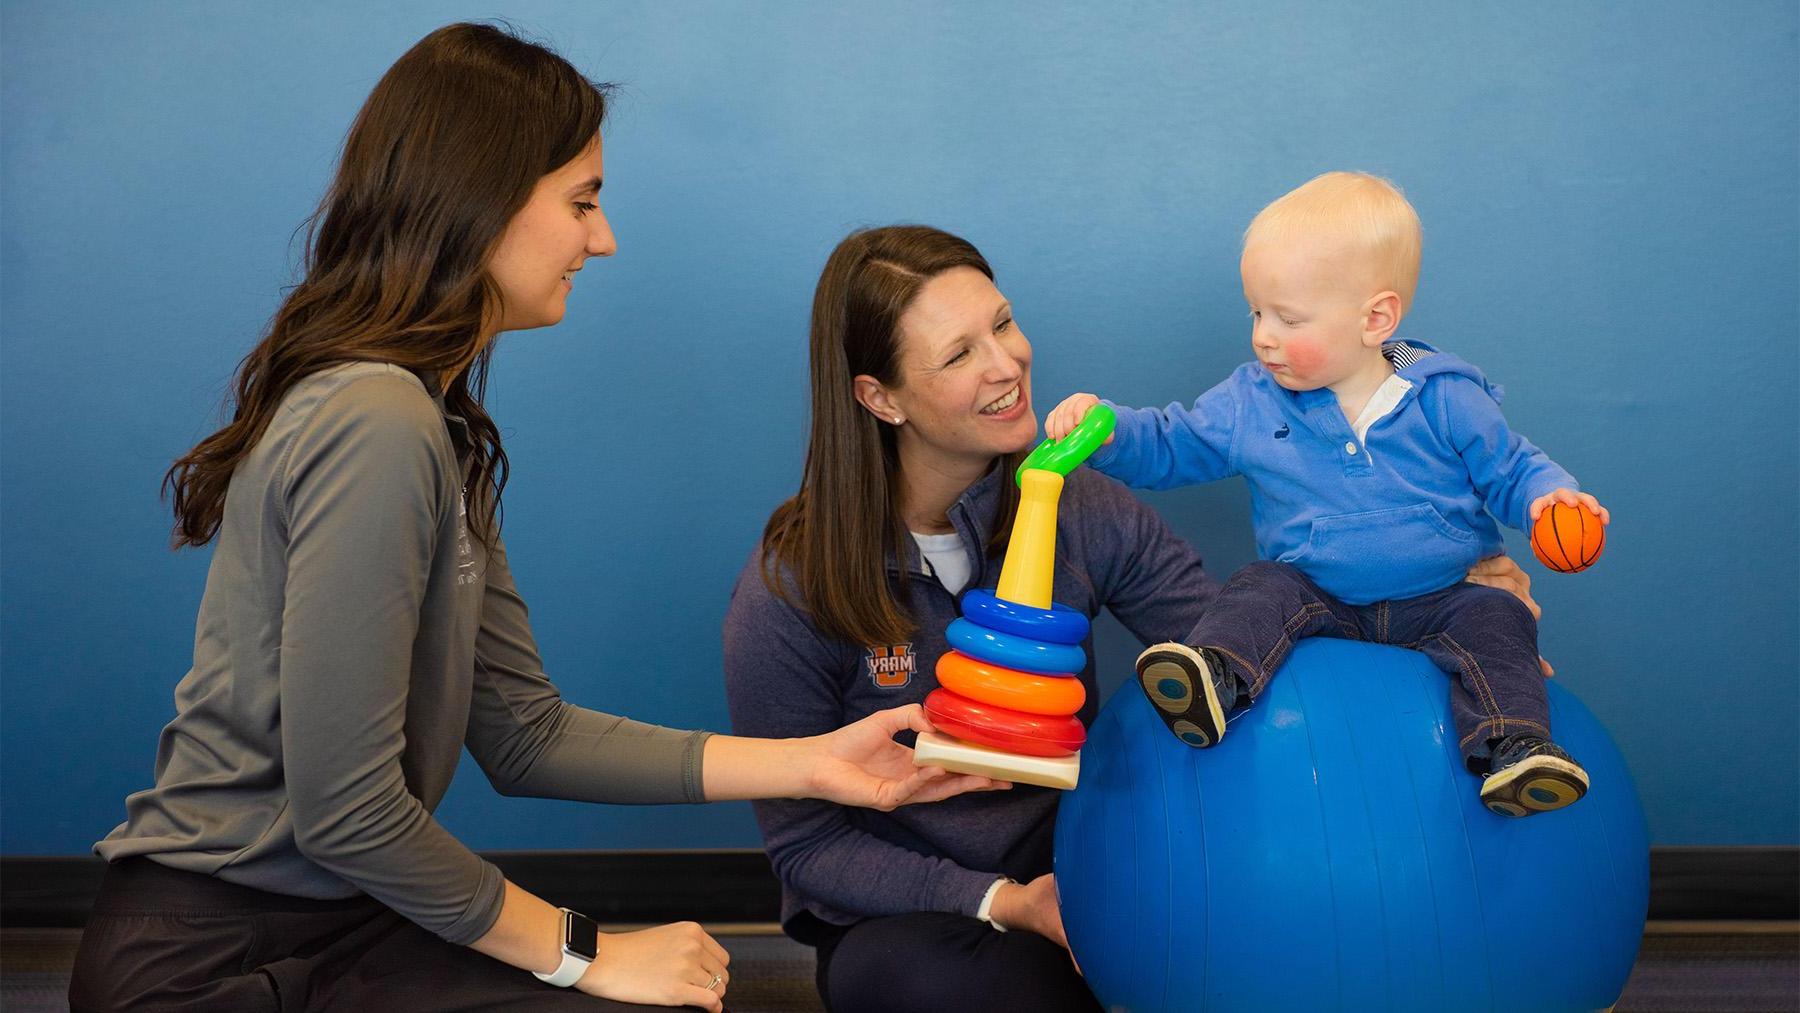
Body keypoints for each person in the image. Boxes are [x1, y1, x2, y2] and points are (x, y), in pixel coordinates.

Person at [68, 25, 998, 1013]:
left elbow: (523, 732)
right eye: (582, 202)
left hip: (344, 917)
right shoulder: (375, 420)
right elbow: (346, 811)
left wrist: (813, 762)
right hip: (206, 961)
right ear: (477, 202)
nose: (602, 239)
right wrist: (584, 952)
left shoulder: (435, 429)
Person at [722, 224, 1548, 1011]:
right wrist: (1005, 901)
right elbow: (809, 849)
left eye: (1003, 323)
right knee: (971, 993)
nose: (1007, 362)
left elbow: (1235, 646)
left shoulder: (1082, 506)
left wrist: (1441, 604)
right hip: (922, 918)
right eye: (959, 354)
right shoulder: (791, 588)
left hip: (1093, 867)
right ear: (882, 397)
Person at [1047, 171, 1608, 818]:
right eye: (1256, 311)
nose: (1262, 335)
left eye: (1287, 318)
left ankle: (1513, 748)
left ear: (1375, 318)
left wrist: (1551, 501)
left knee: (1500, 619)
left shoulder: (1447, 397)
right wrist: (1107, 430)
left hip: (1444, 597)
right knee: (1259, 585)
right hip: (1320, 598)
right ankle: (1214, 677)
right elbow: (1174, 443)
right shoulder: (1250, 401)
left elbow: (1511, 470)